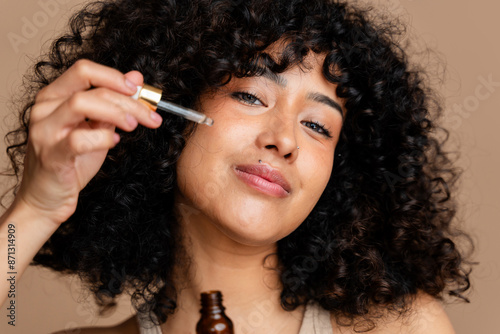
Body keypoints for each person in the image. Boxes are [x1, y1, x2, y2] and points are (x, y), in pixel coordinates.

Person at [0, 0, 472, 333]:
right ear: (170, 115)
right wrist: (37, 209)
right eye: (250, 95)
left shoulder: (403, 328)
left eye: (318, 126)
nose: (283, 139)